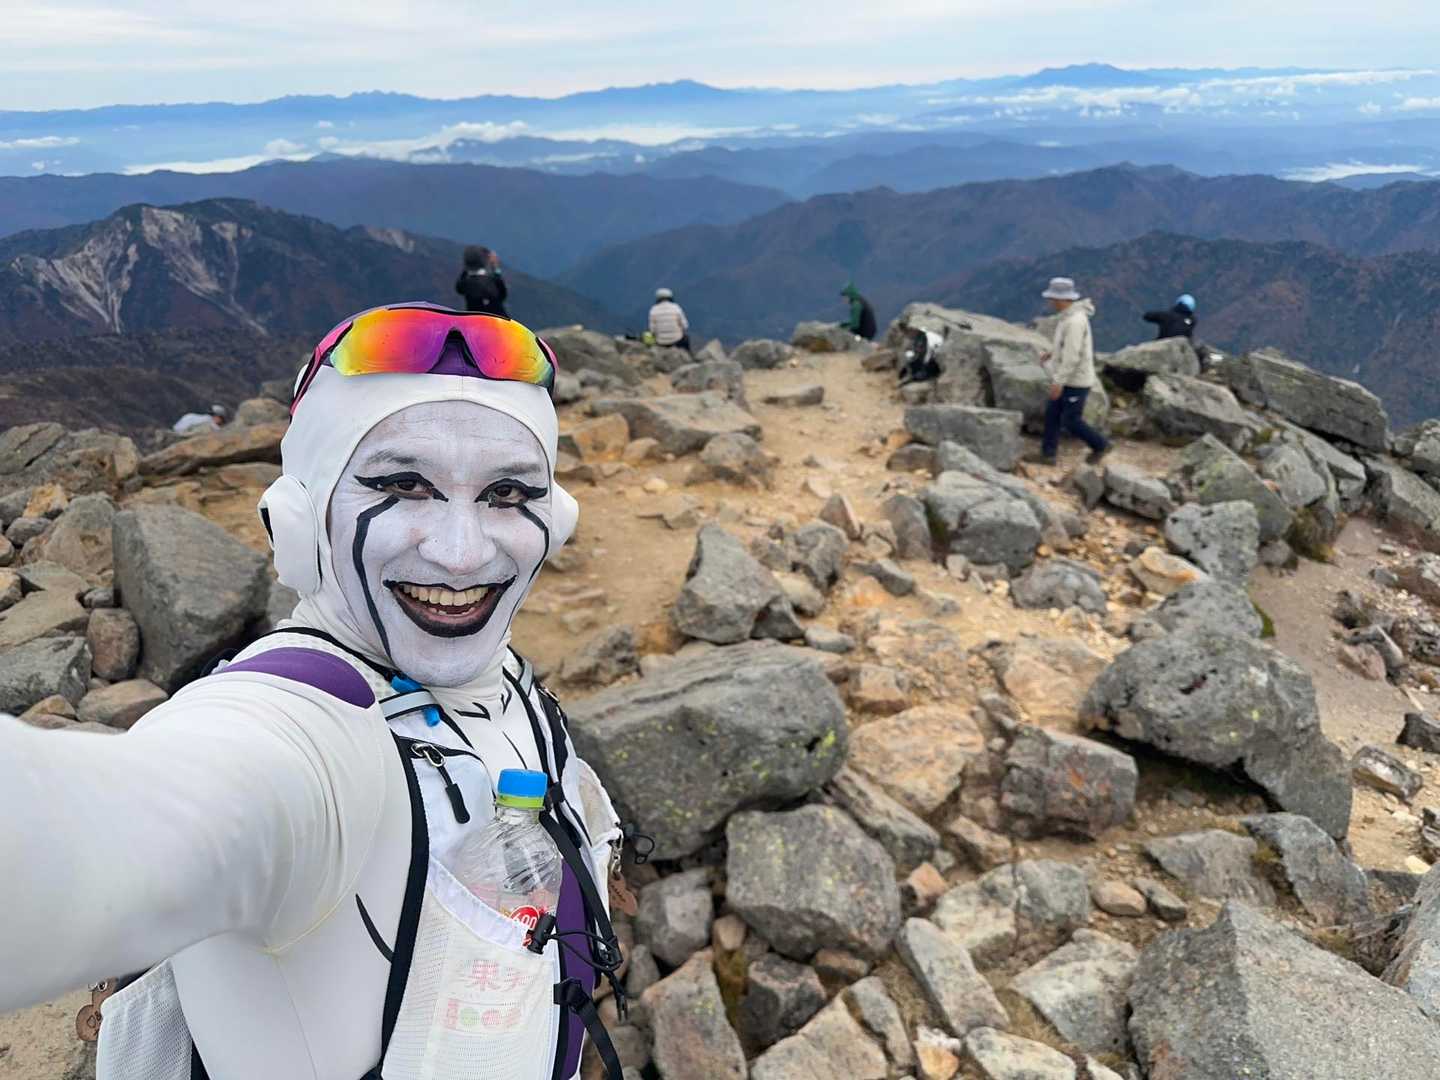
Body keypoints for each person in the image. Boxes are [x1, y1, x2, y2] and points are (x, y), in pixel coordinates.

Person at [0, 304, 627, 1080]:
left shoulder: (502, 681)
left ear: (554, 519)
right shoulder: (298, 732)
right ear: (299, 520)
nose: (463, 556)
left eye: (507, 492)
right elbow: (101, 833)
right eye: (402, 485)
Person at [1028, 277, 1110, 466]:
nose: (1050, 302)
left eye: (1052, 298)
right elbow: (1067, 345)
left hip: (1075, 381)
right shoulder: (1068, 317)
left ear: (1061, 298)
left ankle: (1101, 445)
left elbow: (1073, 356)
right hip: (1068, 378)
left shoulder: (1074, 321)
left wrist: (1059, 381)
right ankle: (1047, 455)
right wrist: (1053, 353)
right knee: (1052, 415)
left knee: (1071, 420)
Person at [455, 244, 510, 317]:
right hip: (496, 320)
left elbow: (459, 288)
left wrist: (466, 268)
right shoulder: (491, 282)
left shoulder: (466, 283)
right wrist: (495, 268)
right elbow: (502, 294)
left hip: (475, 320)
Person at [647, 287, 690, 352]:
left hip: (660, 342)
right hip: (677, 340)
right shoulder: (676, 308)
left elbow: (652, 330)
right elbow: (685, 326)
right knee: (686, 338)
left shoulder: (653, 310)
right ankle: (687, 355)